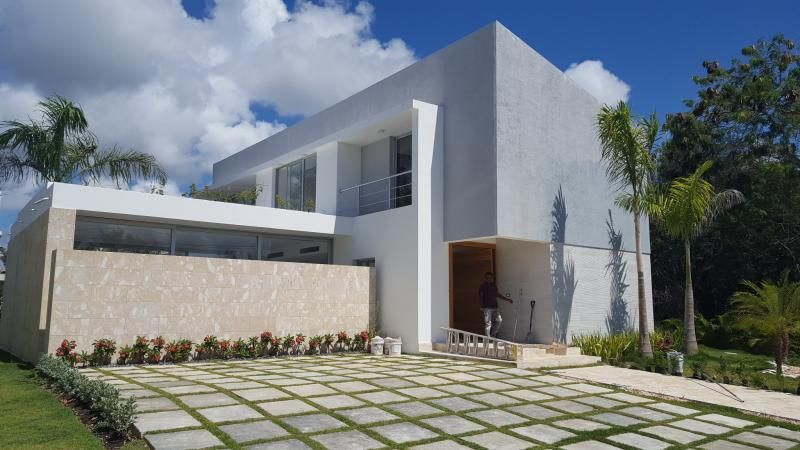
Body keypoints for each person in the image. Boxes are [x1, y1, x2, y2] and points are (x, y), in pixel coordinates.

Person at [478, 272, 513, 337]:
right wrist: (481, 306)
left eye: (490, 278)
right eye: (487, 277)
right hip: (487, 307)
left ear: (492, 278)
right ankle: (488, 339)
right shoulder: (483, 286)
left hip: (495, 307)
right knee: (488, 323)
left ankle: (492, 335)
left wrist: (507, 299)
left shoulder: (494, 285)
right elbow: (480, 296)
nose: (489, 279)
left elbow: (497, 295)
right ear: (485, 278)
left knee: (499, 320)